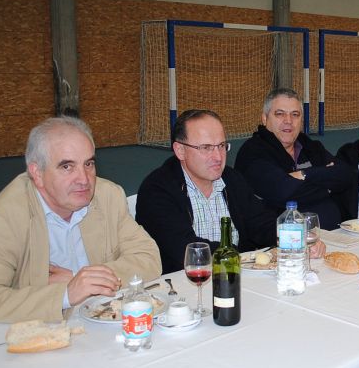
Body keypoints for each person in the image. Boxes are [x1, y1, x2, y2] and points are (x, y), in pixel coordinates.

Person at [0, 117, 161, 323]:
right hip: (42, 331)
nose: (84, 179)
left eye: (88, 164)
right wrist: (65, 294)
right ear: (37, 173)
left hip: (105, 324)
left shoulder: (108, 196)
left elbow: (149, 259)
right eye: (67, 167)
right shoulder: (5, 216)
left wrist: (80, 278)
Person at [136, 109, 326, 274]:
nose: (218, 156)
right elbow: (186, 249)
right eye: (206, 148)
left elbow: (260, 222)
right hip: (183, 285)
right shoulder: (157, 190)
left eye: (221, 146)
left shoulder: (231, 179)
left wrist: (296, 240)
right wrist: (243, 257)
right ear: (180, 150)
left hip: (238, 277)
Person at [235, 88, 356, 230]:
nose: (288, 121)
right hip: (282, 244)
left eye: (295, 114)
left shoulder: (310, 146)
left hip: (334, 235)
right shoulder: (252, 152)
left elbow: (346, 174)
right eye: (280, 114)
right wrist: (328, 186)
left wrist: (305, 174)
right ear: (265, 118)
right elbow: (283, 190)